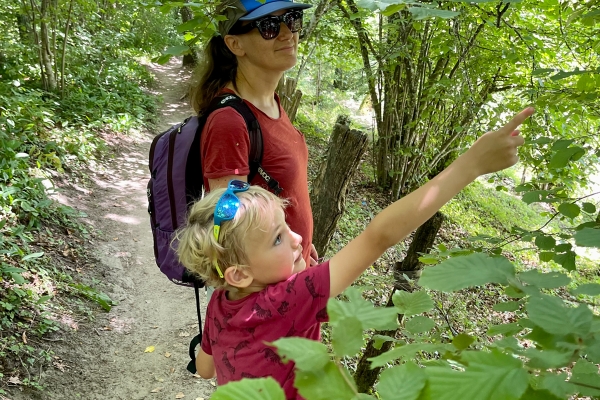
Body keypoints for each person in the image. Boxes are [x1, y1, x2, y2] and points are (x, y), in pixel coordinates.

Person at [176, 108, 535, 399]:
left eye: (287, 227)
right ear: (240, 273)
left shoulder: (222, 302)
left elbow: (206, 368)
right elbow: (378, 236)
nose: (298, 238)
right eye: (277, 239)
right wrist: (471, 165)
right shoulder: (290, 297)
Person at [189, 0, 318, 270]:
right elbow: (231, 235)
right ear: (235, 44)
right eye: (269, 26)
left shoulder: (270, 103)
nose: (287, 34)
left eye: (292, 19)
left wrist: (302, 245)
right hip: (272, 295)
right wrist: (297, 269)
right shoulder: (230, 122)